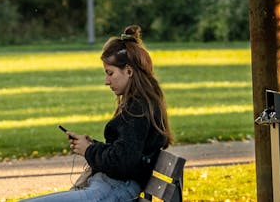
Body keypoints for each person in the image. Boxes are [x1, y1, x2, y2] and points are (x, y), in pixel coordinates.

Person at [24, 25, 175, 202]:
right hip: (109, 185)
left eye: (110, 73)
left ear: (129, 71)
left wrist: (89, 150)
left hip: (115, 189)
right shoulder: (139, 104)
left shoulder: (138, 109)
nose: (106, 81)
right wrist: (92, 145)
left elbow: (123, 163)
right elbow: (126, 152)